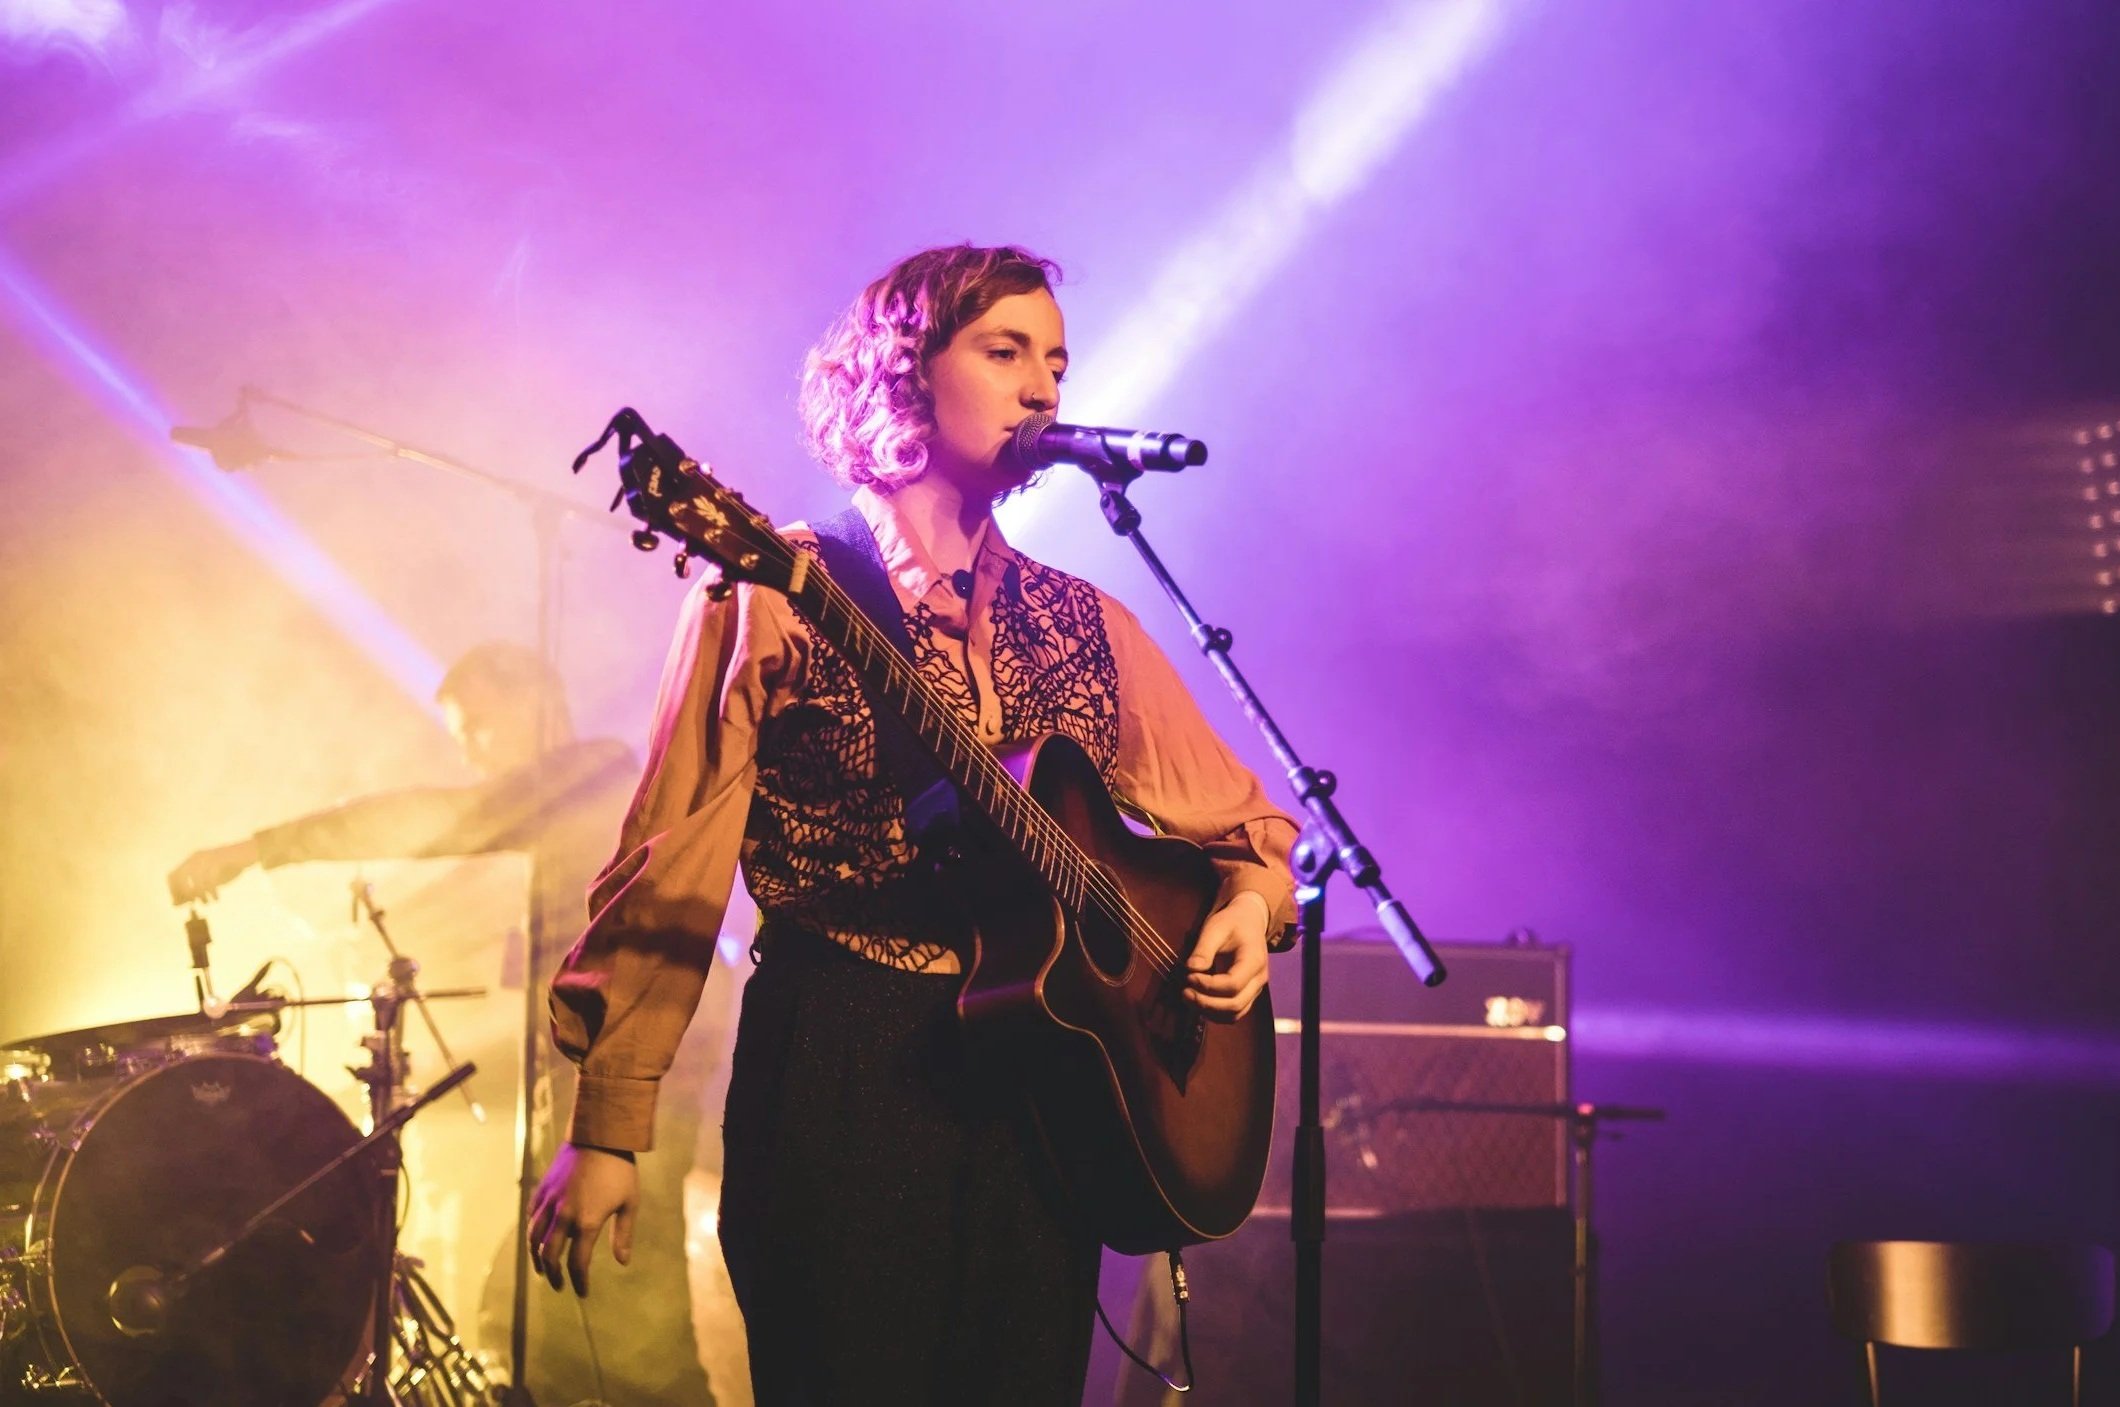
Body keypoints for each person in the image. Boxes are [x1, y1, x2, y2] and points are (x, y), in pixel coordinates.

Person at [526, 243, 1297, 1405]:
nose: (1044, 387)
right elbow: (669, 869)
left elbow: (1250, 830)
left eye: (1057, 361)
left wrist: (1247, 902)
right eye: (1004, 352)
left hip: (1047, 1084)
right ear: (901, 376)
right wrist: (610, 1125)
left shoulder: (1085, 621)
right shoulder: (777, 589)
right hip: (845, 1061)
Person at [168, 642, 720, 1407]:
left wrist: (260, 848)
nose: (468, 748)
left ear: (534, 705)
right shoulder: (557, 828)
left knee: (622, 1333)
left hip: (633, 1094)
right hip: (598, 1092)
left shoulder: (592, 769)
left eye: (479, 725)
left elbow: (444, 818)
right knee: (565, 1328)